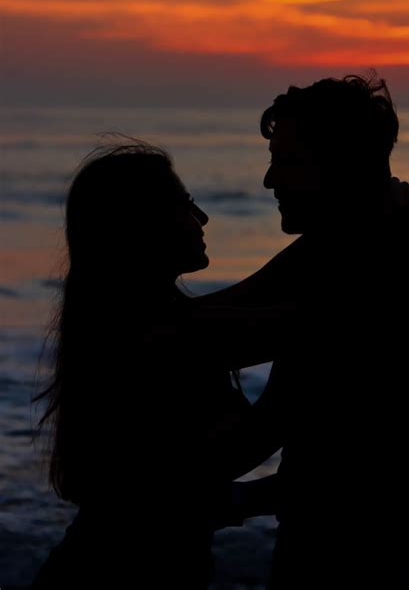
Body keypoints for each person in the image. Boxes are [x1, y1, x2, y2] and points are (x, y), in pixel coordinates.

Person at [199, 74, 409, 589]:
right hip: (365, 552)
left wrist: (183, 497)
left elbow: (289, 441)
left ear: (339, 168)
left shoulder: (379, 274)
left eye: (288, 162)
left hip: (362, 563)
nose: (270, 180)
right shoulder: (350, 258)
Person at [31, 144, 288, 589]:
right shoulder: (155, 332)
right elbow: (239, 449)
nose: (203, 218)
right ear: (144, 226)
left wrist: (363, 222)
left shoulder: (136, 319)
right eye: (186, 205)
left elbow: (269, 286)